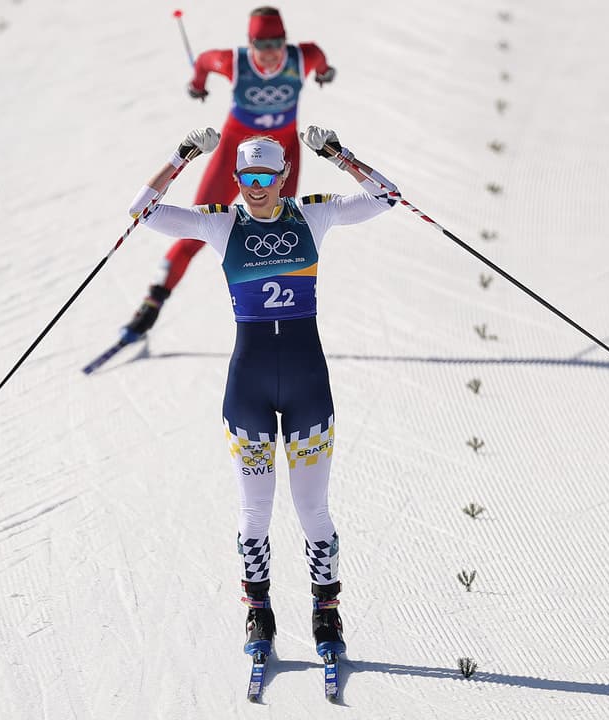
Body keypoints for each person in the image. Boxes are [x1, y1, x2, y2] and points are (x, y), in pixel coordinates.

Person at [127, 125, 398, 659]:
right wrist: (182, 157)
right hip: (247, 387)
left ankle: (327, 612)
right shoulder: (222, 224)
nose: (256, 186)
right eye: (246, 177)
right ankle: (259, 612)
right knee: (255, 513)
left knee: (312, 509)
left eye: (265, 177)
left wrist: (340, 155)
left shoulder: (312, 215)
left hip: (307, 387)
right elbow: (143, 212)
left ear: (283, 176)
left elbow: (386, 198)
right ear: (236, 178)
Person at [119, 6, 336, 343]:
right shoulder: (233, 62)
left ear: (285, 41)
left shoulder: (303, 56)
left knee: (283, 229)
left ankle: (279, 313)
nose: (269, 53)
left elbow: (321, 62)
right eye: (261, 45)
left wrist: (324, 73)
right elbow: (204, 61)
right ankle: (153, 301)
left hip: (282, 154)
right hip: (235, 153)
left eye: (276, 43)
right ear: (249, 43)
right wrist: (197, 83)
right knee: (195, 228)